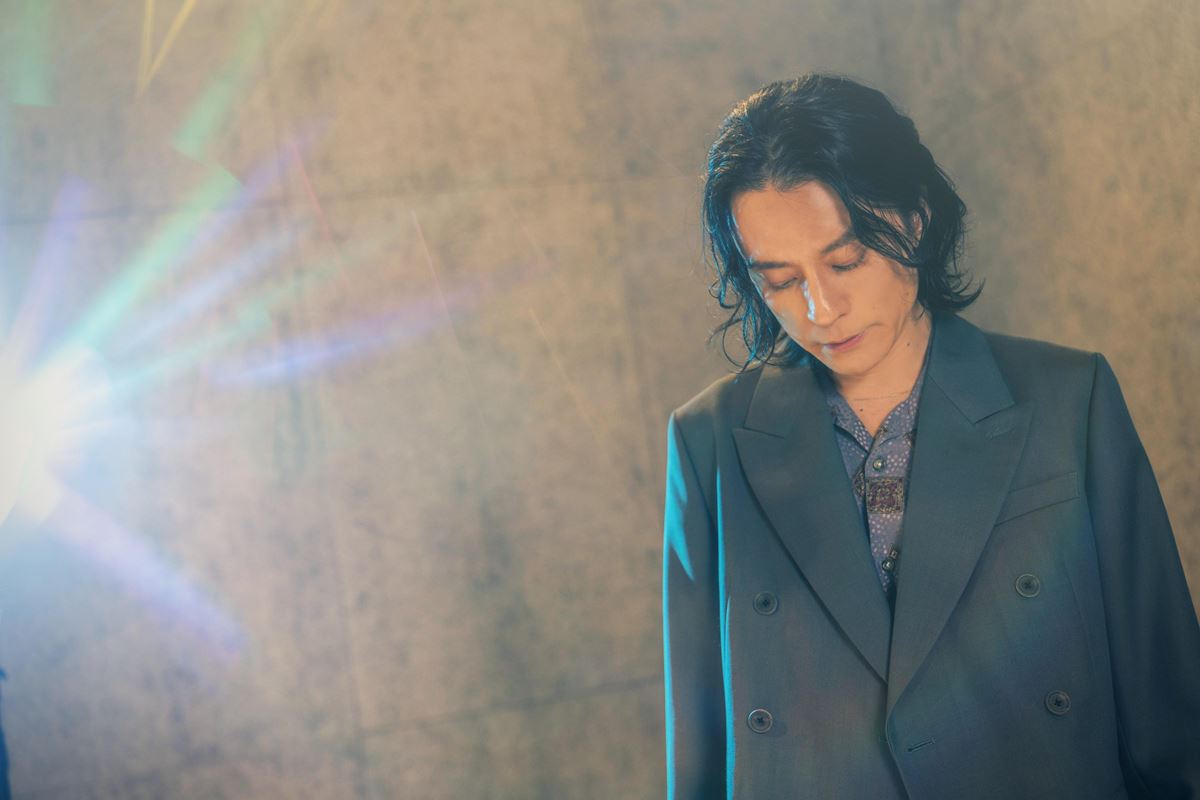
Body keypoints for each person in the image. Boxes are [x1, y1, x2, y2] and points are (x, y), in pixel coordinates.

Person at [662, 72, 1200, 799]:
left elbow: (1173, 723)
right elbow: (700, 755)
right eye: (781, 280)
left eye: (846, 260)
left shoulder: (1070, 401)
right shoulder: (709, 443)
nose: (821, 307)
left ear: (914, 218)